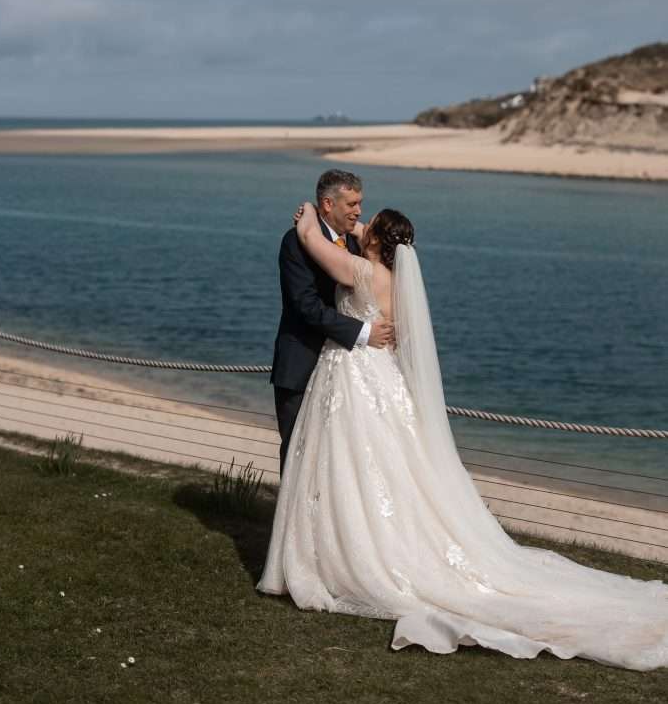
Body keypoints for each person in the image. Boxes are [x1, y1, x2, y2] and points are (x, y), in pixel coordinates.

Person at [258, 202, 668, 671]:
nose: (362, 219)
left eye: (368, 223)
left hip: (355, 376)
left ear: (375, 242)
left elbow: (313, 243)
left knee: (353, 463)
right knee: (383, 467)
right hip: (381, 378)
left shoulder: (361, 272)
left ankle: (341, 553)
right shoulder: (390, 278)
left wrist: (310, 214)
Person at [270, 169, 395, 474]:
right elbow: (306, 306)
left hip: (346, 373)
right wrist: (364, 332)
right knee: (299, 450)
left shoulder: (357, 246)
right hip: (301, 362)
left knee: (337, 457)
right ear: (328, 204)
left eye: (360, 203)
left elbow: (390, 243)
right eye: (351, 204)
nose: (358, 211)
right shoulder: (295, 243)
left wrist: (308, 211)